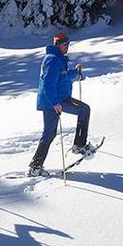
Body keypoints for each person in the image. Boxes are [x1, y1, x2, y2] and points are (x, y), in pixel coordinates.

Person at [29, 32, 92, 175]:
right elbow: (48, 84)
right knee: (50, 133)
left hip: (60, 99)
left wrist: (76, 73)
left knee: (83, 110)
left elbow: (63, 77)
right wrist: (55, 103)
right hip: (53, 101)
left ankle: (36, 165)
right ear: (57, 45)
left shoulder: (59, 59)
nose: (67, 47)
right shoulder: (51, 59)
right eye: (64, 44)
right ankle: (35, 167)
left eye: (68, 44)